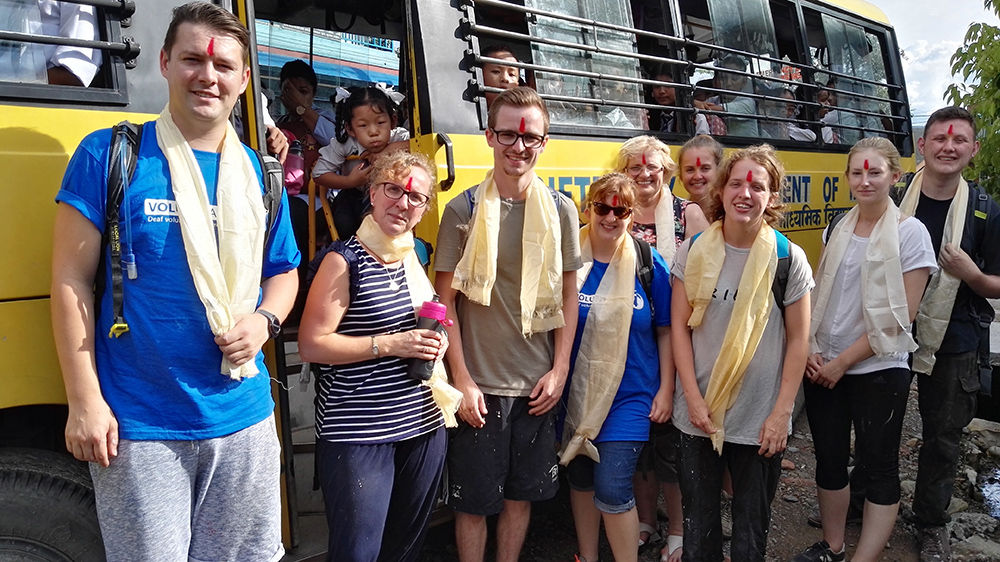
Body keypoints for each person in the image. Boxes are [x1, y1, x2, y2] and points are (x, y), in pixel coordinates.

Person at [50, 3, 300, 561]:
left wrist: (263, 322)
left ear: (241, 81)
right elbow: (69, 278)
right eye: (191, 59)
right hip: (140, 427)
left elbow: (282, 271)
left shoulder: (262, 175)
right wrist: (83, 400)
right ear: (164, 63)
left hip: (244, 419)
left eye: (223, 66)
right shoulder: (112, 154)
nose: (206, 76)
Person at [433, 86, 582, 562]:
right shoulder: (463, 210)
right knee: (474, 505)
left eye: (530, 137)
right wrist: (462, 379)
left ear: (543, 142)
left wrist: (559, 371)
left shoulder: (560, 211)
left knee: (521, 498)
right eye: (507, 135)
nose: (519, 146)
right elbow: (444, 305)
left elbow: (568, 295)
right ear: (489, 137)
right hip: (482, 388)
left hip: (536, 386)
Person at [298, 150, 461, 562]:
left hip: (423, 425)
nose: (403, 203)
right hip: (358, 432)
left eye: (416, 197)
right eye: (394, 189)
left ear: (424, 208)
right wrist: (391, 343)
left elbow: (421, 325)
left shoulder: (413, 256)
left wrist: (434, 342)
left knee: (404, 551)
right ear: (372, 193)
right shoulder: (343, 260)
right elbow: (312, 344)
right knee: (358, 554)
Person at [795, 137, 936, 562]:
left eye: (875, 172)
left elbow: (900, 316)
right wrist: (812, 348)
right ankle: (834, 546)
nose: (865, 180)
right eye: (857, 172)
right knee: (830, 460)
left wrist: (841, 362)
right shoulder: (837, 226)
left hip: (878, 367)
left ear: (895, 176)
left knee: (878, 466)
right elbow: (821, 296)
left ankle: (865, 557)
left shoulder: (910, 233)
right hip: (825, 363)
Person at [671, 144, 812, 562]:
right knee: (700, 529)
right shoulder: (693, 250)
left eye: (758, 185)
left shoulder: (788, 258)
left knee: (751, 533)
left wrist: (781, 413)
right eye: (736, 183)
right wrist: (692, 400)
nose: (745, 193)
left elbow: (799, 341)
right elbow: (679, 329)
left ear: (771, 197)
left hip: (759, 416)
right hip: (697, 412)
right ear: (721, 190)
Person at [902, 107, 1000, 562]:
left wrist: (971, 274)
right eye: (939, 138)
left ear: (973, 150)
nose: (948, 146)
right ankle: (865, 497)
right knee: (873, 420)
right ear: (922, 146)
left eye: (959, 139)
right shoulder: (894, 194)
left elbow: (998, 283)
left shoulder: (985, 211)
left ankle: (930, 523)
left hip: (956, 337)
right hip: (892, 327)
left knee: (943, 435)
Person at [560, 173, 673, 562]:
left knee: (610, 485)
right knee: (581, 479)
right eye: (602, 207)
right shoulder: (569, 256)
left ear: (631, 214)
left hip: (631, 397)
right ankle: (587, 557)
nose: (610, 217)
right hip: (575, 393)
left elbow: (666, 330)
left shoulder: (646, 261)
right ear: (588, 208)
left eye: (620, 210)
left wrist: (666, 388)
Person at [615, 134, 706, 562]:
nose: (644, 174)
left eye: (652, 167)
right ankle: (646, 520)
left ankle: (678, 527)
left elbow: (706, 281)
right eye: (635, 167)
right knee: (639, 440)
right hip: (630, 343)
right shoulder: (617, 211)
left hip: (677, 339)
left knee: (671, 442)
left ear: (666, 171)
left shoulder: (687, 214)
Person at [313, 85, 410, 240]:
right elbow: (319, 174)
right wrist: (350, 181)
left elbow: (420, 146)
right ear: (350, 129)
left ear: (392, 121)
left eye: (380, 122)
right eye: (363, 125)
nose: (373, 131)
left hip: (393, 195)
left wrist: (389, 150)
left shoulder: (399, 137)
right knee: (344, 223)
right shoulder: (344, 143)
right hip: (355, 194)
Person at [0, 0, 102, 86]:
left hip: (35, 98)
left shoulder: (75, 4)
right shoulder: (7, 4)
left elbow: (75, 70)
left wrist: (17, 86)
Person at [276, 59, 338, 170]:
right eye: (289, 90)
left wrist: (301, 107)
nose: (294, 97)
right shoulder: (280, 122)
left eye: (303, 92)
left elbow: (334, 140)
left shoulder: (325, 117)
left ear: (314, 93)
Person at [695, 55, 759, 137]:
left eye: (734, 78)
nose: (728, 83)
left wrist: (699, 105)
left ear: (744, 82)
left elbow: (710, 108)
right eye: (723, 78)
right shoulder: (713, 100)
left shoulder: (748, 103)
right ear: (715, 82)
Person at [676, 134, 724, 211]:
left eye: (705, 168)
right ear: (680, 175)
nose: (697, 176)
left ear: (719, 171)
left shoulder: (730, 214)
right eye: (690, 170)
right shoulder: (673, 215)